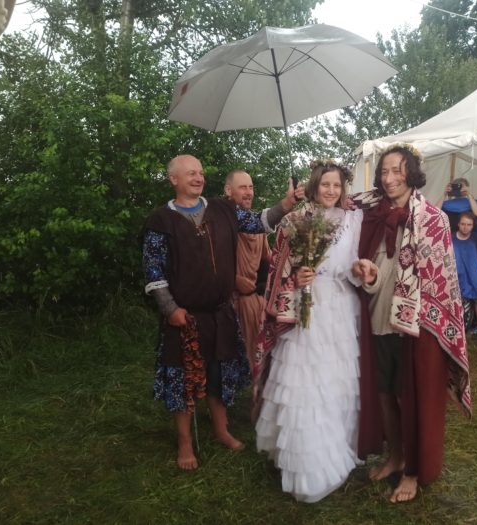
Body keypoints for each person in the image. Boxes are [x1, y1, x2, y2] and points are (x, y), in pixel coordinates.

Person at [142, 154, 302, 470]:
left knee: (219, 375)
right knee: (182, 380)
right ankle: (185, 443)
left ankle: (221, 430)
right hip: (184, 316)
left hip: (220, 313)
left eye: (200, 172)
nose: (198, 177)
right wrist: (170, 308)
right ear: (173, 179)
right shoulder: (160, 221)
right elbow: (153, 271)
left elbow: (259, 222)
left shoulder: (223, 209)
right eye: (190, 173)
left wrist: (286, 204)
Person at [353, 143, 471, 504]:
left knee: (411, 398)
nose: (389, 178)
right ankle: (396, 456)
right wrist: (367, 276)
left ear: (412, 173)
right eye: (384, 171)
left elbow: (441, 281)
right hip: (379, 317)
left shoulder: (432, 219)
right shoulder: (372, 214)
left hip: (418, 328)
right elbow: (374, 272)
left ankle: (413, 471)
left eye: (397, 170)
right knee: (385, 392)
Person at [254, 161, 363, 503]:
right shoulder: (296, 219)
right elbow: (278, 268)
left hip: (340, 306)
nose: (331, 190)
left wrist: (359, 272)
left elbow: (355, 266)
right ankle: (305, 463)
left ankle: (339, 445)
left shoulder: (353, 220)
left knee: (336, 378)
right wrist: (297, 276)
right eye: (325, 184)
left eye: (337, 185)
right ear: (314, 186)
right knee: (305, 379)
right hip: (306, 303)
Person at [224, 169, 271, 370]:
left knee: (258, 358)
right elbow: (207, 263)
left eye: (251, 187)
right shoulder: (219, 221)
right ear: (228, 190)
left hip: (254, 300)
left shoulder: (256, 225)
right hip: (227, 302)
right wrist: (234, 279)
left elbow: (268, 260)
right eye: (243, 187)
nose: (249, 192)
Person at [452, 212, 477, 328]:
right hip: (456, 274)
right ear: (458, 224)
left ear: (473, 225)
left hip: (472, 273)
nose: (465, 227)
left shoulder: (476, 238)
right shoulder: (450, 237)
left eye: (469, 225)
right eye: (463, 224)